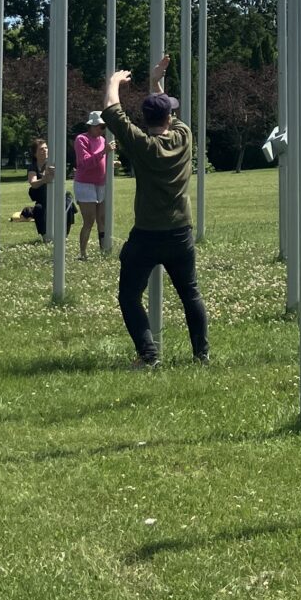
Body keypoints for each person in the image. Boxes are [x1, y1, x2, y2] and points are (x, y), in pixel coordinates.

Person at [99, 56, 209, 367]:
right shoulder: (184, 137)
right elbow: (169, 116)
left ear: (146, 118)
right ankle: (201, 354)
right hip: (180, 232)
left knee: (129, 297)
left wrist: (114, 81)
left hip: (147, 235)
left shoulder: (141, 144)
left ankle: (148, 355)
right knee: (190, 294)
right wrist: (155, 84)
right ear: (170, 116)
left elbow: (111, 110)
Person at [73, 109, 111, 259]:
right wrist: (103, 153)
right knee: (90, 220)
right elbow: (85, 162)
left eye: (103, 127)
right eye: (100, 127)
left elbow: (101, 160)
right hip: (85, 184)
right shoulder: (81, 139)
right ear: (92, 126)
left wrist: (111, 162)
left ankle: (104, 251)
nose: (102, 130)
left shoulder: (103, 141)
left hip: (101, 183)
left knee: (102, 219)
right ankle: (83, 253)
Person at [15, 137, 54, 239]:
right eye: (41, 149)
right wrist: (44, 180)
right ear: (35, 153)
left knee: (68, 204)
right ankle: (45, 236)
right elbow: (33, 183)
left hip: (55, 197)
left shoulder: (52, 163)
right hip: (42, 198)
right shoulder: (33, 167)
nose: (44, 150)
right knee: (39, 209)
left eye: (46, 148)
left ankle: (64, 235)